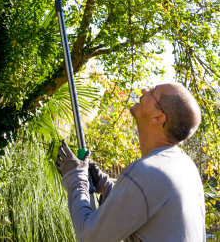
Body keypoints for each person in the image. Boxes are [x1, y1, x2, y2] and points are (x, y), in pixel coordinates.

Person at [56, 82, 205, 241]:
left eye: (152, 91)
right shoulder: (186, 167)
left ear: (158, 117)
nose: (144, 90)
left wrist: (76, 176)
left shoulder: (146, 172)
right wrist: (106, 187)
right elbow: (150, 209)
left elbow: (89, 236)